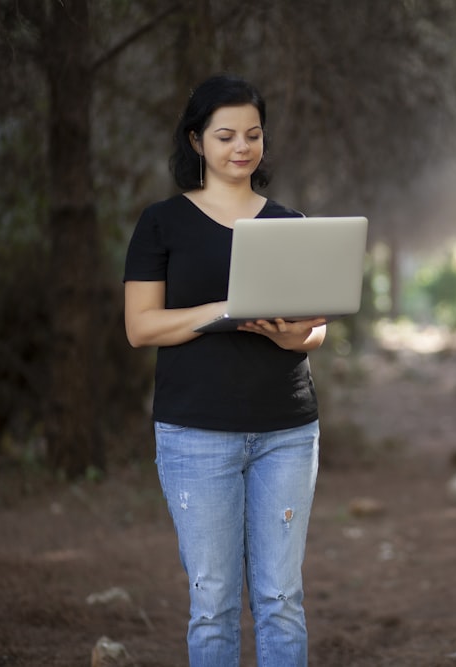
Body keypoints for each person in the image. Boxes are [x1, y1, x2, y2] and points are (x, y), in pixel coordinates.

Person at [123, 74, 325, 666]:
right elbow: (140, 327)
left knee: (281, 597)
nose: (242, 146)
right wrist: (223, 310)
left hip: (287, 430)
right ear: (196, 141)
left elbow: (316, 328)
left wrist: (293, 334)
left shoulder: (291, 224)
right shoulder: (162, 222)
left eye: (254, 134)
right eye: (226, 134)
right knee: (212, 602)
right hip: (195, 434)